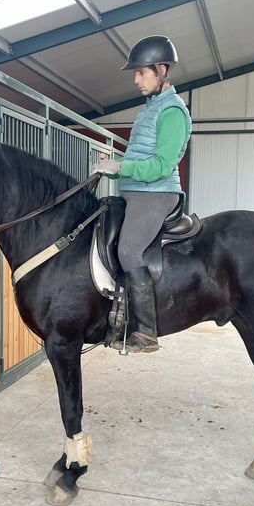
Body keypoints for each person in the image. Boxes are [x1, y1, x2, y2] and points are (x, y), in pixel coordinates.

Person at [91, 35, 192, 353]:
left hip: (157, 194)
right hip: (135, 194)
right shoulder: (149, 110)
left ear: (162, 70)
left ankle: (146, 331)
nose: (135, 80)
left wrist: (119, 167)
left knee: (129, 250)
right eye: (135, 73)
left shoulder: (173, 112)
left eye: (141, 73)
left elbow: (161, 165)